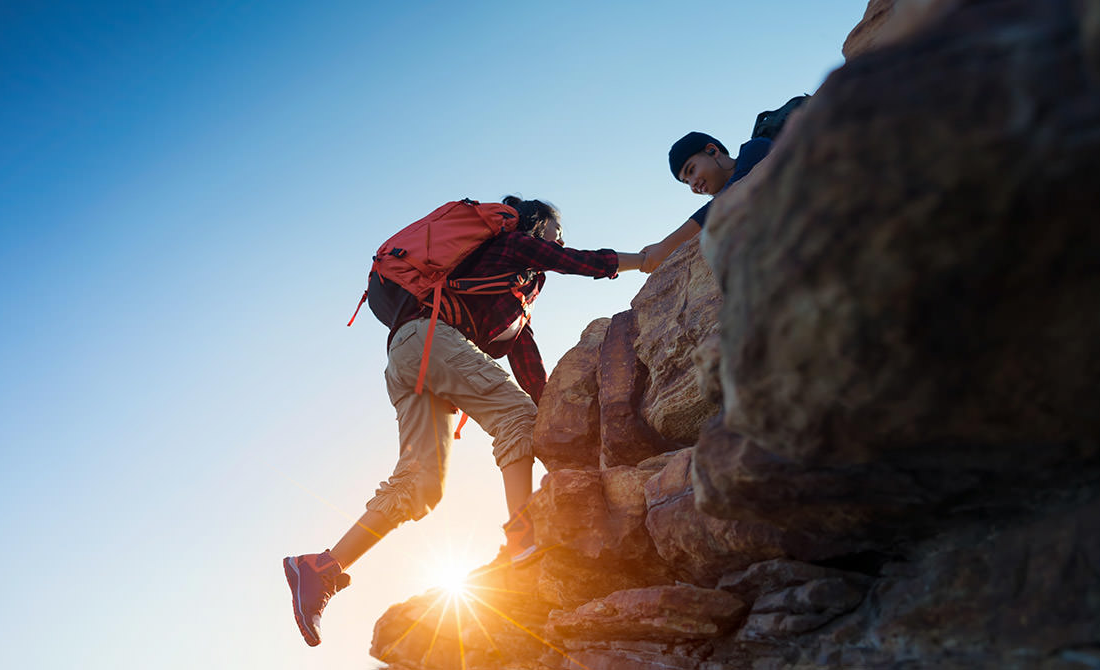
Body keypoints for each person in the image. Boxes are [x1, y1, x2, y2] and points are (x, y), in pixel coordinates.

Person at [282, 196, 646, 648]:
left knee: (420, 485)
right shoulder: (516, 247)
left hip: (406, 353)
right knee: (515, 417)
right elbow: (579, 262)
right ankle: (522, 541)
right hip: (428, 338)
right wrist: (646, 259)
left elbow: (531, 371)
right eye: (555, 229)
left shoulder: (514, 303)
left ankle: (320, 568)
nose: (560, 238)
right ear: (537, 227)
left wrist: (559, 427)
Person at [639, 131, 773, 272]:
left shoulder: (756, 148)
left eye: (691, 170)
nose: (693, 185)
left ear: (712, 150)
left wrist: (665, 247)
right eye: (686, 182)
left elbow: (729, 197)